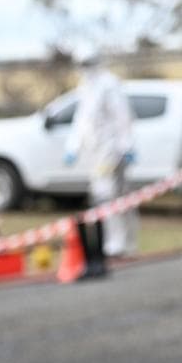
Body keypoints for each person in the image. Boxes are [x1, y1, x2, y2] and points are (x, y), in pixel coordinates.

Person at [64, 54, 136, 276]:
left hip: (111, 149)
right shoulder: (85, 87)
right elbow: (81, 120)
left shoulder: (109, 84)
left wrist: (127, 145)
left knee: (109, 195)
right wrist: (73, 146)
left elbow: (122, 116)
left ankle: (118, 244)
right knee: (106, 197)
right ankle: (115, 243)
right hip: (95, 151)